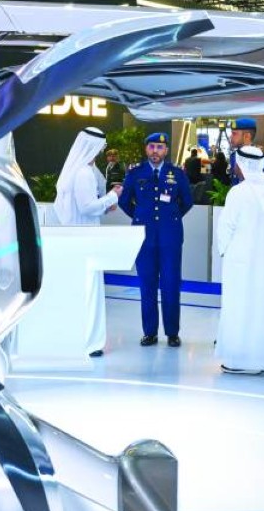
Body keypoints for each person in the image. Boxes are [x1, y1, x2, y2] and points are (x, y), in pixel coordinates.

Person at [118, 132, 193, 348]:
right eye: (151, 147)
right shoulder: (135, 173)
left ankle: (172, 333)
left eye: (159, 147)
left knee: (171, 284)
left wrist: (172, 217)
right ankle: (150, 332)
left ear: (166, 150)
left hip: (170, 237)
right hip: (144, 237)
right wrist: (140, 216)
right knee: (147, 285)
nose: (155, 151)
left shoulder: (176, 173)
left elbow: (187, 201)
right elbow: (124, 201)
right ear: (146, 149)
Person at [53, 129, 121, 357]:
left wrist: (105, 205)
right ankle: (89, 343)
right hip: (85, 241)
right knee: (89, 291)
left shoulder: (82, 170)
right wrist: (114, 195)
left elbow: (87, 205)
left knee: (80, 290)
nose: (102, 151)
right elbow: (87, 207)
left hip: (78, 239)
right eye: (101, 147)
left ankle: (77, 338)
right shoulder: (83, 173)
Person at [215, 146, 264, 375]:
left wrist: (224, 250)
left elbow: (226, 226)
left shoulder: (238, 192)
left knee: (239, 306)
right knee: (260, 307)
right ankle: (261, 360)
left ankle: (238, 360)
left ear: (242, 165)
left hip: (239, 260)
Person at [228, 118, 264, 186]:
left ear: (247, 136)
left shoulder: (260, 159)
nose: (230, 136)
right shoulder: (234, 156)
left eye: (234, 134)